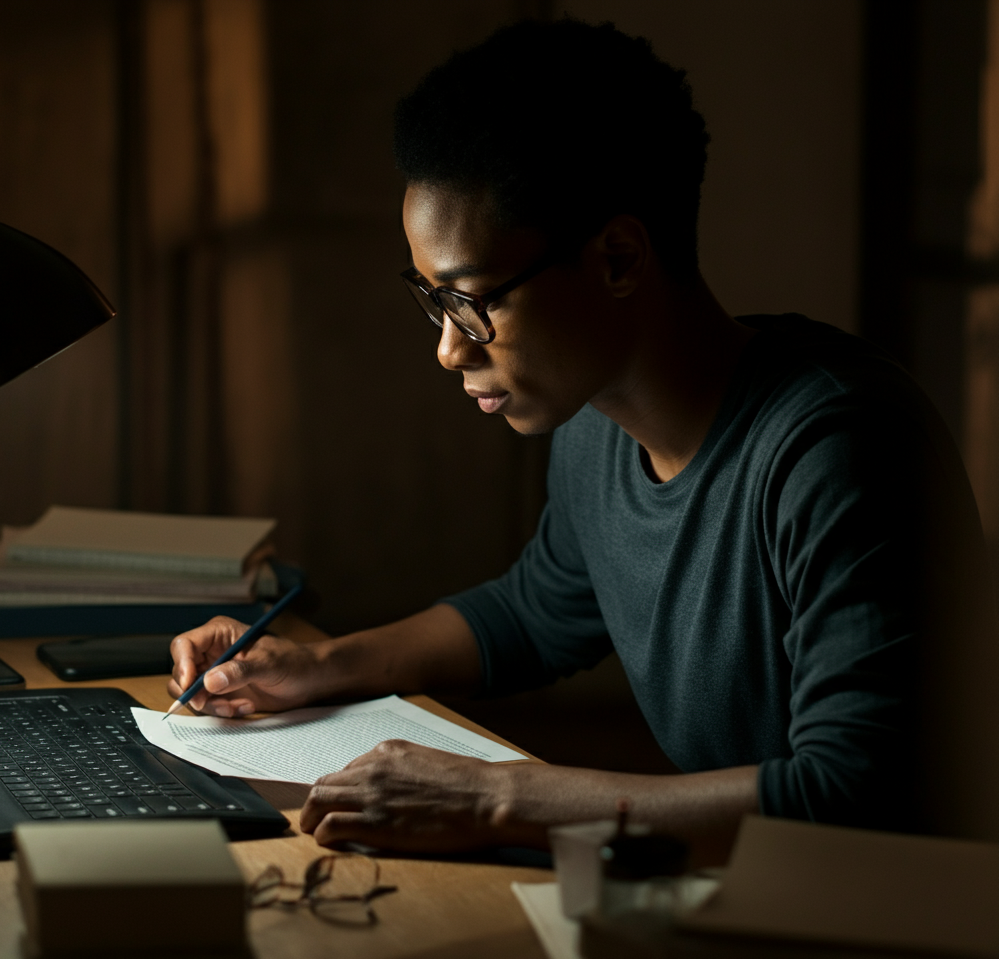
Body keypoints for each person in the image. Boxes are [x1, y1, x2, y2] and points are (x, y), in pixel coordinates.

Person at [168, 19, 999, 863]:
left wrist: (497, 798)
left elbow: (851, 799)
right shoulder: (599, 426)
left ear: (617, 259)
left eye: (470, 300)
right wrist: (320, 667)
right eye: (431, 299)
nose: (450, 348)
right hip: (749, 902)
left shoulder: (837, 449)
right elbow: (536, 610)